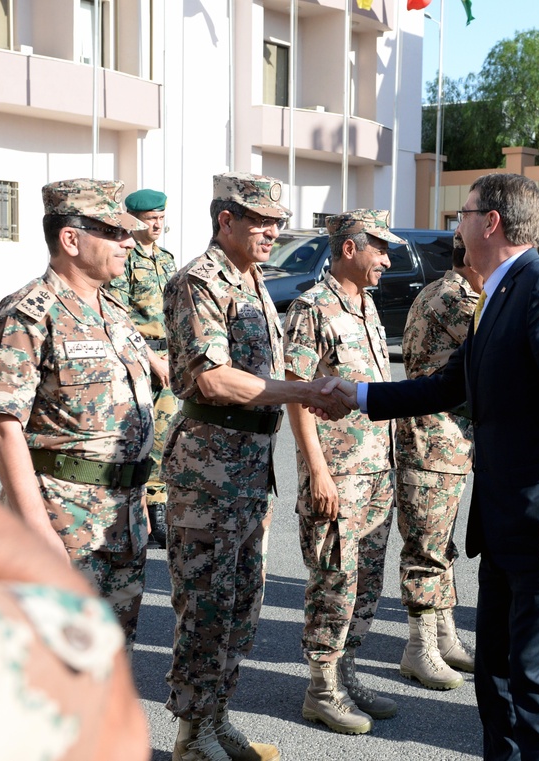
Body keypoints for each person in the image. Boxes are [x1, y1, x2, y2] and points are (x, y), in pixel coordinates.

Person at [332, 173, 539, 761]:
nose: (455, 225)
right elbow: (448, 384)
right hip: (506, 523)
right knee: (495, 675)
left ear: (490, 222)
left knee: (536, 682)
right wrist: (356, 395)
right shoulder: (497, 293)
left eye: (462, 214)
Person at [161, 172, 350, 761]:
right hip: (208, 471)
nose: (272, 230)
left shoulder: (254, 281)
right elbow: (212, 378)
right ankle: (193, 736)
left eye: (276, 220)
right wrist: (298, 393)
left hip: (247, 469)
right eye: (259, 219)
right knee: (206, 607)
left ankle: (217, 720)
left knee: (242, 605)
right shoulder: (200, 281)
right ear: (225, 220)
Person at [0, 178, 155, 648]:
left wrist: (136, 504)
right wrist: (38, 532)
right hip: (63, 522)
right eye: (113, 232)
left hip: (123, 521)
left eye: (128, 232)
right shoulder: (30, 312)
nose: (127, 242)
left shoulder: (113, 310)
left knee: (109, 665)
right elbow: (3, 425)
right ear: (70, 239)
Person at [282, 209, 401, 735]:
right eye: (380, 248)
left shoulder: (367, 305)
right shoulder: (312, 308)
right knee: (334, 580)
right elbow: (298, 395)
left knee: (367, 583)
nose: (388, 259)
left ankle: (347, 672)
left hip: (377, 470)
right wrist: (317, 472)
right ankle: (321, 688)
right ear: (350, 249)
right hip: (338, 474)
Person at [0, 476, 149, 761]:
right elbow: (4, 431)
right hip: (65, 512)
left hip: (122, 515)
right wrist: (38, 534)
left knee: (103, 695)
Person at [394, 230, 481, 686]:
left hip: (448, 438)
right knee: (426, 546)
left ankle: (443, 634)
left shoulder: (448, 290)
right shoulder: (453, 297)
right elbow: (497, 347)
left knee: (440, 543)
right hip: (433, 438)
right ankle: (418, 644)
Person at [105, 188, 177, 548]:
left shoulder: (166, 259)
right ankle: (131, 509)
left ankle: (158, 507)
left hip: (169, 358)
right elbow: (119, 316)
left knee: (164, 436)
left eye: (162, 218)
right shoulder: (125, 261)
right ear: (134, 221)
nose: (158, 225)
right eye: (152, 220)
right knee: (135, 437)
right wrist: (152, 360)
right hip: (140, 359)